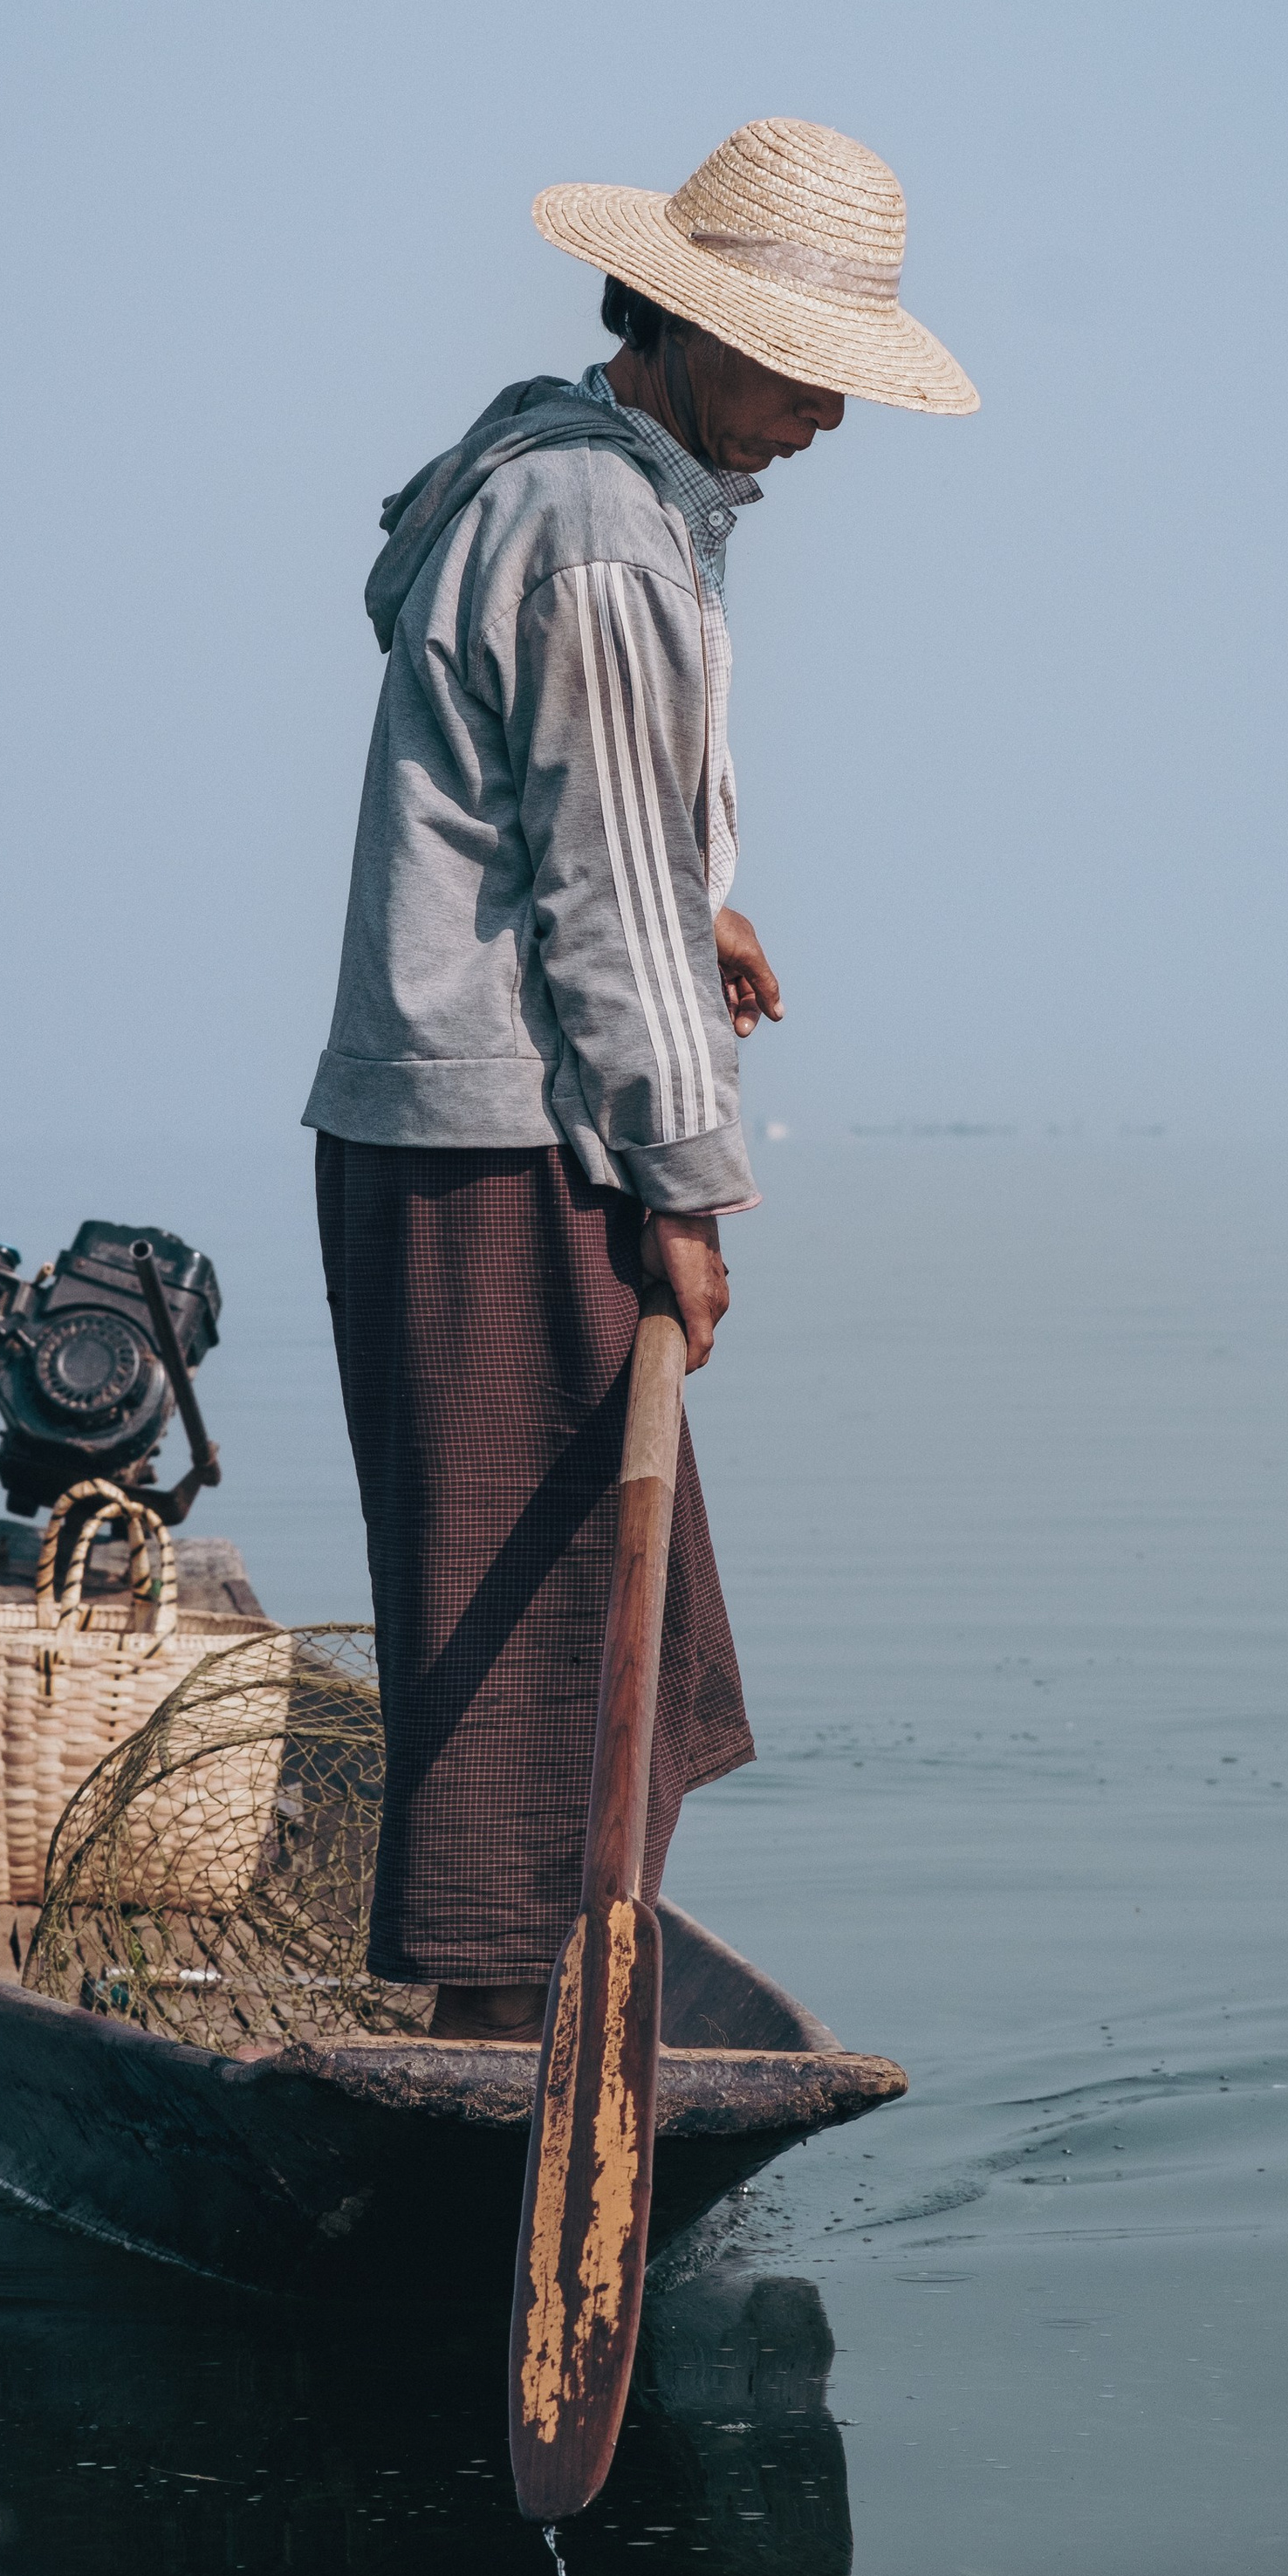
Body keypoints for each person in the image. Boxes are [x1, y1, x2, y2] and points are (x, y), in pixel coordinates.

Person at [305, 116, 976, 2038]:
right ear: (674, 324)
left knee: (592, 1596)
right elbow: (591, 898)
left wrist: (706, 911)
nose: (823, 420)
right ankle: (501, 2048)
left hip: (470, 1124)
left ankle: (509, 2016)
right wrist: (686, 1196)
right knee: (537, 1628)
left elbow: (593, 839)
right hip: (508, 1139)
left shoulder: (554, 473)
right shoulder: (598, 536)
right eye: (794, 370)